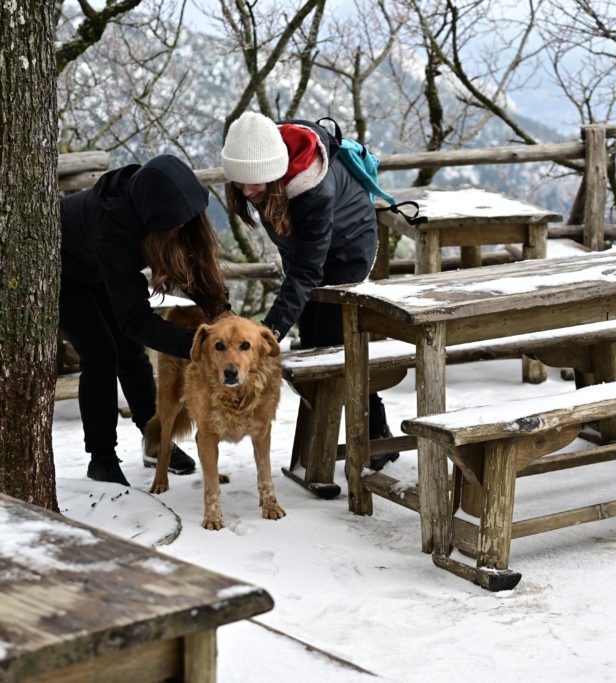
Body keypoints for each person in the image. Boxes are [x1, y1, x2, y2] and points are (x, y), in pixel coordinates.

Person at [220, 112, 398, 470]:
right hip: (306, 252)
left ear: (275, 172)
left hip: (348, 249)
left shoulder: (313, 189)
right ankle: (325, 444)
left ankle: (365, 438)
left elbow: (306, 272)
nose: (246, 191)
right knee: (316, 343)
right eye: (239, 182)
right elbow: (301, 262)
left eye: (254, 183)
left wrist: (265, 335)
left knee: (331, 346)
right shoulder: (261, 152)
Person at [60, 154, 227, 486]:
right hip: (67, 271)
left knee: (131, 353)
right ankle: (102, 458)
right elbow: (135, 319)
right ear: (156, 223)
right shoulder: (115, 230)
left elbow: (195, 272)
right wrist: (197, 344)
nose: (184, 228)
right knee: (101, 355)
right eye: (176, 225)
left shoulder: (162, 204)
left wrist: (222, 315)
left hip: (101, 269)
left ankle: (154, 440)